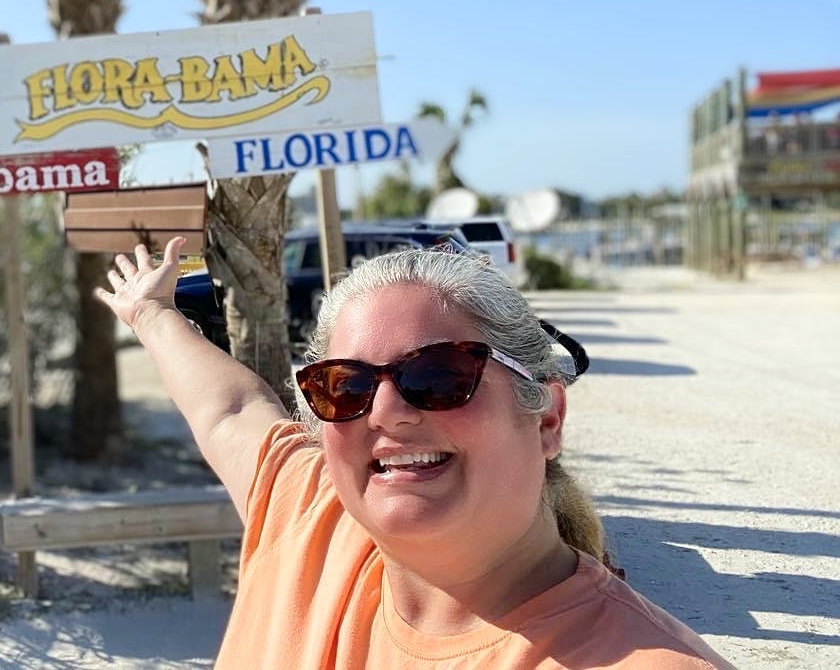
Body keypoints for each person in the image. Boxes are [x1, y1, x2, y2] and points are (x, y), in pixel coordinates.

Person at [96, 237, 732, 669]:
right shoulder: (313, 517)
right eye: (346, 386)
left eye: (439, 375)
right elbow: (230, 409)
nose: (387, 411)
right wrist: (150, 314)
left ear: (547, 418)